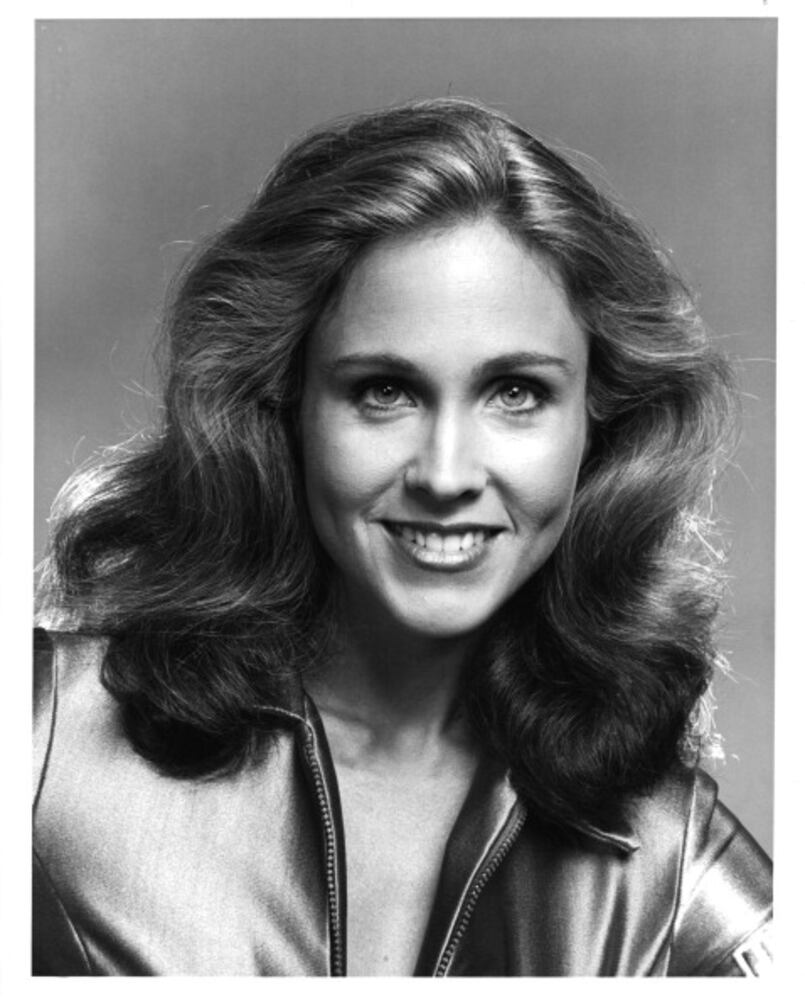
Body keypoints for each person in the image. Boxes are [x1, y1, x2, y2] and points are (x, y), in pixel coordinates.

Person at [33, 97, 772, 977]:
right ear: (283, 407)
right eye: (384, 391)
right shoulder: (43, 741)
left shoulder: (675, 873)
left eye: (516, 393)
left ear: (599, 426)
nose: (446, 475)